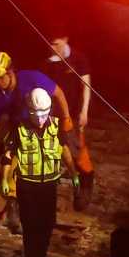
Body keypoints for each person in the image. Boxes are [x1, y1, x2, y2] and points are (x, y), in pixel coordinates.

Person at [0, 88, 77, 257]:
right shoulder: (19, 129)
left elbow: (64, 150)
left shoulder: (56, 126)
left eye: (44, 113)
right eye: (36, 114)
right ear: (29, 110)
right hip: (27, 186)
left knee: (47, 224)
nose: (41, 119)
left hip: (49, 185)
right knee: (31, 225)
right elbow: (9, 156)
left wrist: (74, 173)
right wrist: (5, 179)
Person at [43, 36, 97, 206]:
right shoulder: (47, 62)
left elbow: (85, 86)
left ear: (65, 39)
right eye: (50, 43)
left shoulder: (78, 58)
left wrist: (84, 111)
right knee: (60, 149)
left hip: (73, 112)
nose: (52, 46)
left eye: (56, 43)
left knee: (77, 150)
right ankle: (70, 183)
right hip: (53, 112)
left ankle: (86, 182)